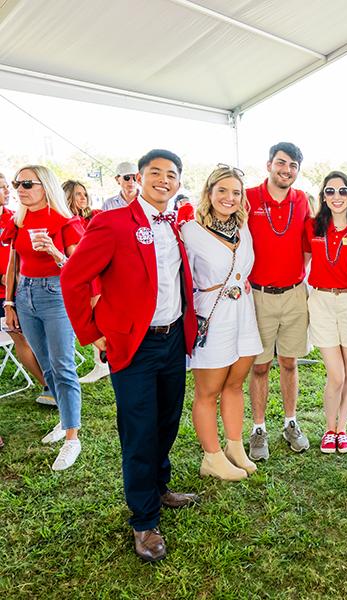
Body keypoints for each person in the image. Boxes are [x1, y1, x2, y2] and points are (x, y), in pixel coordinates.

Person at [61, 149, 200, 562]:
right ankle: (143, 520)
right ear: (139, 178)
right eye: (154, 172)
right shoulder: (112, 221)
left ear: (178, 182)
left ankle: (160, 486)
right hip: (133, 345)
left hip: (172, 339)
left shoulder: (176, 225)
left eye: (171, 174)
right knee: (139, 430)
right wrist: (91, 333)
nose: (164, 179)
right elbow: (72, 277)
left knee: (167, 420)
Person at [2, 165, 85, 470]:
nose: (19, 189)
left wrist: (55, 252)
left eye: (26, 183)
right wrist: (10, 302)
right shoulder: (19, 220)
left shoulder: (65, 221)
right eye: (17, 183)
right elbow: (14, 262)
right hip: (24, 295)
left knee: (63, 365)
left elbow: (79, 269)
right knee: (46, 363)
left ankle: (72, 438)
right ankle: (65, 422)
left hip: (55, 295)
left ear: (44, 186)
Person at [183, 165, 262, 481]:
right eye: (223, 191)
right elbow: (183, 281)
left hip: (243, 312)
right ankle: (211, 457)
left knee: (234, 383)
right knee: (207, 390)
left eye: (236, 192)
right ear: (209, 193)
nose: (230, 198)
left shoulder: (244, 230)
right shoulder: (190, 231)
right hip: (212, 315)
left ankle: (234, 446)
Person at [246, 142, 311, 459]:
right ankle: (258, 428)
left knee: (289, 362)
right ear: (269, 164)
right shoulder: (248, 197)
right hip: (258, 295)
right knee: (259, 366)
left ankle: (290, 422)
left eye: (293, 166)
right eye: (282, 163)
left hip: (295, 294)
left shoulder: (302, 200)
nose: (286, 170)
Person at [305, 171, 347, 454]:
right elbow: (302, 262)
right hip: (320, 301)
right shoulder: (312, 227)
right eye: (330, 192)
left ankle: (341, 430)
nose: (336, 197)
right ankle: (328, 429)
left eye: (343, 191)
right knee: (336, 374)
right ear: (323, 196)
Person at [0, 172, 54, 406]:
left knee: (39, 339)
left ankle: (54, 385)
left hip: (26, 287)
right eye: (4, 187)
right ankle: (48, 384)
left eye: (7, 186)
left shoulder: (15, 218)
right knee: (21, 339)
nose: (9, 191)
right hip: (4, 293)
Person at [63, 179, 110, 384]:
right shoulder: (68, 222)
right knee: (91, 317)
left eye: (84, 194)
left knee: (98, 316)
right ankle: (102, 362)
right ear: (68, 196)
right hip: (85, 275)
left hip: (96, 275)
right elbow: (75, 255)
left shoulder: (89, 218)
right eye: (78, 194)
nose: (83, 198)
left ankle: (103, 362)